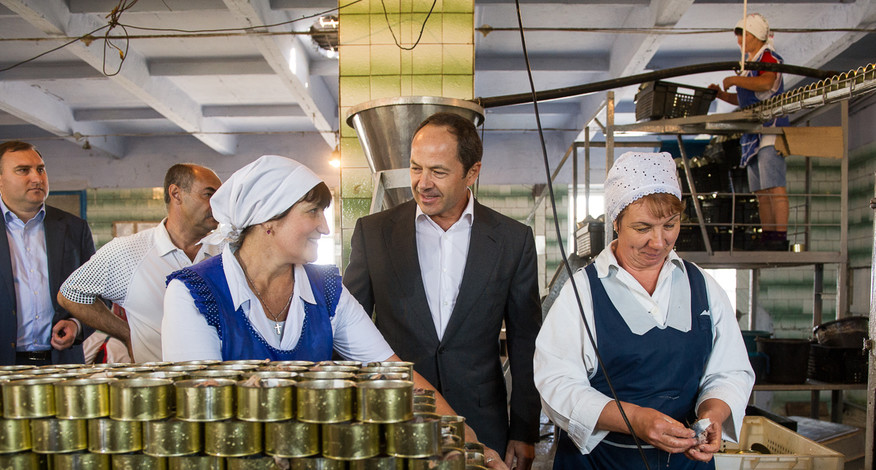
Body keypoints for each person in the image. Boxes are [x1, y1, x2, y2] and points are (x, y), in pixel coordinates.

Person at [160, 155, 508, 469]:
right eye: (312, 212)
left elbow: (395, 374)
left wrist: (472, 443)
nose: (324, 227)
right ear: (268, 219)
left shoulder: (325, 289)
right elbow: (200, 419)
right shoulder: (194, 294)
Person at [343, 112, 542, 469]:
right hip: (394, 416)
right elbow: (346, 330)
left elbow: (525, 340)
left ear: (472, 172)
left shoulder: (512, 240)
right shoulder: (374, 233)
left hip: (480, 422)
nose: (422, 183)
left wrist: (524, 430)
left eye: (438, 171)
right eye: (416, 168)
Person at [534, 152, 754, 469]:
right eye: (642, 227)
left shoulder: (702, 286)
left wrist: (713, 413)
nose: (658, 241)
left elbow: (730, 370)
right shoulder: (583, 292)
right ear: (616, 221)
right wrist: (635, 419)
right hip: (603, 461)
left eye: (670, 225)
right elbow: (557, 383)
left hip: (685, 462)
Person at [58, 164, 221, 363]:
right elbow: (71, 294)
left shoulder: (228, 251)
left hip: (220, 382)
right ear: (176, 193)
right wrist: (125, 333)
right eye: (209, 194)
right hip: (159, 385)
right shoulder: (129, 252)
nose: (218, 204)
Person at [0, 140, 95, 366]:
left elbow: (99, 295)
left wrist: (76, 325)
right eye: (23, 170)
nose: (37, 178)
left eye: (40, 169)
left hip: (61, 367)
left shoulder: (74, 228)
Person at [709, 13, 790, 251]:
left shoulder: (768, 58)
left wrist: (735, 79)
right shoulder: (749, 65)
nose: (739, 43)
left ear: (755, 35)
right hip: (753, 133)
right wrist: (723, 95)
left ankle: (780, 237)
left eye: (743, 37)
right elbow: (745, 98)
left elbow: (765, 83)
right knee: (761, 191)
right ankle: (768, 235)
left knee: (774, 186)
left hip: (770, 129)